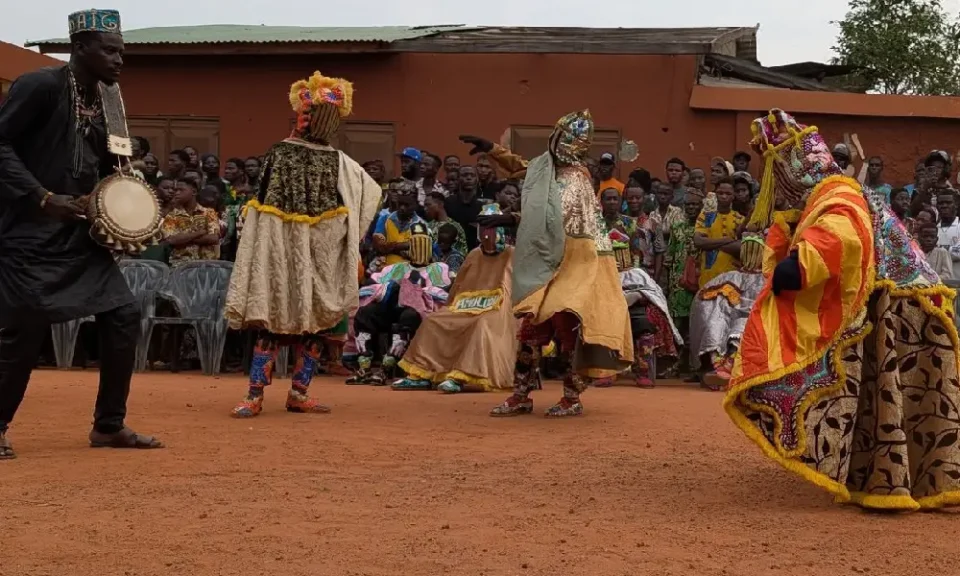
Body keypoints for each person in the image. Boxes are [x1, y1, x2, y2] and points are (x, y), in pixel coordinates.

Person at [726, 108, 960, 511]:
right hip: (892, 307)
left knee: (889, 399)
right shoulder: (831, 193)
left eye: (777, 175)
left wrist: (796, 267)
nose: (775, 187)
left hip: (903, 311)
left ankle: (893, 481)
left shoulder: (839, 194)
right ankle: (884, 476)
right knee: (882, 400)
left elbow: (842, 239)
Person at [0, 8, 162, 458]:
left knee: (124, 314)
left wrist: (127, 207)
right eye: (109, 51)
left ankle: (109, 426)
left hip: (80, 234)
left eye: (121, 52)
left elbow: (114, 166)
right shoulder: (40, 86)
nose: (119, 60)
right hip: (28, 233)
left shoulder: (111, 99)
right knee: (24, 329)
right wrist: (41, 197)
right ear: (79, 48)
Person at [225, 70, 381, 418]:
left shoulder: (337, 161)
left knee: (315, 326)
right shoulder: (295, 155)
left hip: (315, 252)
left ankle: (291, 394)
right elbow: (370, 195)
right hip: (287, 250)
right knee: (275, 323)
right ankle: (259, 394)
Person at [460, 109, 634, 418]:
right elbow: (523, 169)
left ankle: (571, 397)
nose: (558, 142)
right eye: (559, 136)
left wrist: (510, 218)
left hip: (575, 263)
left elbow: (554, 217)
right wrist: (491, 148)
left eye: (565, 138)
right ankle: (521, 395)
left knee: (567, 330)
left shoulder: (576, 179)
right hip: (546, 263)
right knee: (531, 330)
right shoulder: (547, 167)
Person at [395, 204, 518, 393]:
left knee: (482, 324)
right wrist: (448, 306)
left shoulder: (512, 254)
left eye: (492, 228)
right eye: (483, 228)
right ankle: (422, 374)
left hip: (499, 309)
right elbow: (458, 288)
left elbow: (515, 289)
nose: (487, 233)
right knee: (434, 321)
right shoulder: (474, 254)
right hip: (466, 306)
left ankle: (460, 378)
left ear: (501, 231)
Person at [349, 222, 452, 386]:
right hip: (391, 309)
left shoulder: (439, 269)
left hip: (419, 314)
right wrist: (389, 288)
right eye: (415, 242)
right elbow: (369, 286)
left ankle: (385, 369)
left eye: (423, 242)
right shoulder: (395, 269)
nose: (419, 246)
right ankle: (364, 367)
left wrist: (416, 292)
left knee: (408, 316)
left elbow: (443, 294)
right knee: (365, 313)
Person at [665, 188, 703, 369]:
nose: (691, 208)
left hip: (700, 281)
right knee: (677, 324)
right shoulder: (677, 227)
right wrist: (667, 283)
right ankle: (676, 363)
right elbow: (669, 256)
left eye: (695, 204)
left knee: (695, 323)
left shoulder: (705, 229)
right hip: (678, 283)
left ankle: (693, 365)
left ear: (702, 206)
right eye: (688, 204)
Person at [693, 177, 744, 288]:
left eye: (728, 193)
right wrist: (727, 240)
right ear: (715, 194)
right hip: (708, 276)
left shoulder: (739, 218)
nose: (724, 196)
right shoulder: (705, 216)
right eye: (720, 193)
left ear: (733, 196)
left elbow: (741, 247)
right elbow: (698, 241)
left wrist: (710, 244)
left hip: (731, 277)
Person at [161, 173, 221, 266]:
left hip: (206, 265)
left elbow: (214, 238)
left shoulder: (209, 213)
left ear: (194, 192)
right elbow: (172, 240)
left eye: (181, 190)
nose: (176, 193)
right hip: (180, 265)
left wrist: (184, 239)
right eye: (176, 190)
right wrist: (198, 233)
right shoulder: (172, 216)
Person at [373, 181, 427, 267]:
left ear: (415, 205)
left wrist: (389, 247)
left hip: (409, 270)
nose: (402, 208)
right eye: (400, 203)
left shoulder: (421, 225)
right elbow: (379, 245)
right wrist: (405, 245)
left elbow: (418, 255)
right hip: (385, 268)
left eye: (407, 205)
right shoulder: (385, 219)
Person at [444, 165, 486, 252]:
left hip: (474, 252)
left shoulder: (482, 207)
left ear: (477, 179)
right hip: (451, 251)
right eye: (465, 175)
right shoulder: (448, 202)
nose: (469, 178)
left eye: (472, 175)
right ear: (458, 179)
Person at [424, 191, 467, 255]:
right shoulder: (427, 226)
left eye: (428, 205)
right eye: (425, 206)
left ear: (440, 204)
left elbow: (461, 253)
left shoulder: (455, 227)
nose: (425, 209)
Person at [936, 188, 960, 261]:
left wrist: (936, 249)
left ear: (956, 205)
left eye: (948, 203)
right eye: (941, 203)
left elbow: (958, 253)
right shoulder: (933, 229)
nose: (944, 206)